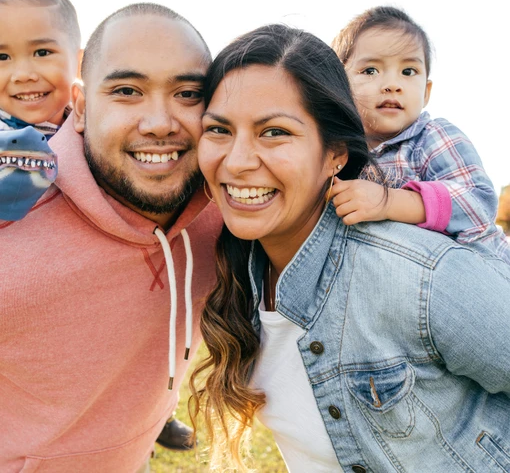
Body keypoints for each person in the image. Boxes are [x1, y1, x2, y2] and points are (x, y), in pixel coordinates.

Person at [189, 24, 510, 472]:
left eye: (275, 132)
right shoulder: (241, 270)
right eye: (220, 130)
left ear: (336, 153)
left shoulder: (420, 277)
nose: (239, 160)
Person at [0, 3, 222, 472]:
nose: (160, 122)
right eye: (127, 90)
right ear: (80, 107)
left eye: (187, 93)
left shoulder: (229, 213)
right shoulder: (13, 212)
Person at [329, 6, 510, 264]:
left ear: (426, 92)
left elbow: (477, 204)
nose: (393, 84)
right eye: (370, 70)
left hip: (487, 275)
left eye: (408, 71)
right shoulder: (338, 154)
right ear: (338, 87)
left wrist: (388, 202)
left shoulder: (432, 137)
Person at [0, 0, 81, 220]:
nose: (23, 75)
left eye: (42, 52)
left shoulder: (94, 131)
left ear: (79, 63)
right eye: (2, 57)